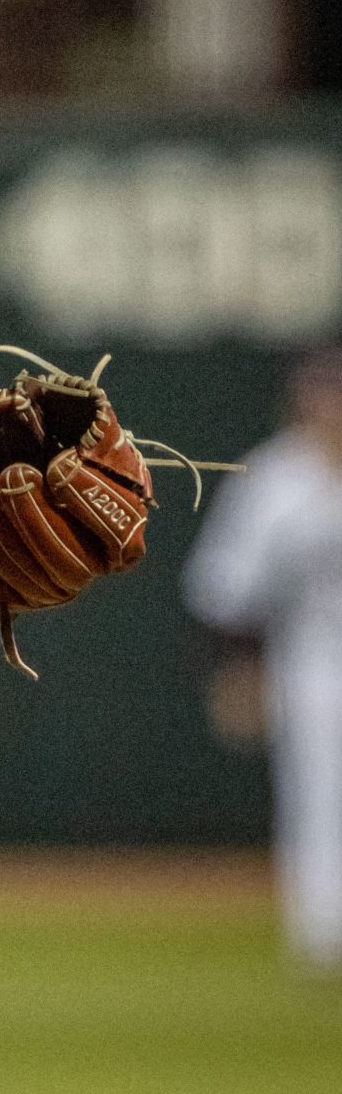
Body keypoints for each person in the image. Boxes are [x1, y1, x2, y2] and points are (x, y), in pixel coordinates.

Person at [183, 347, 342, 975]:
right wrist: (237, 674)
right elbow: (225, 589)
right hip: (314, 664)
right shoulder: (275, 479)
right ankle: (324, 935)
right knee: (319, 797)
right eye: (322, 395)